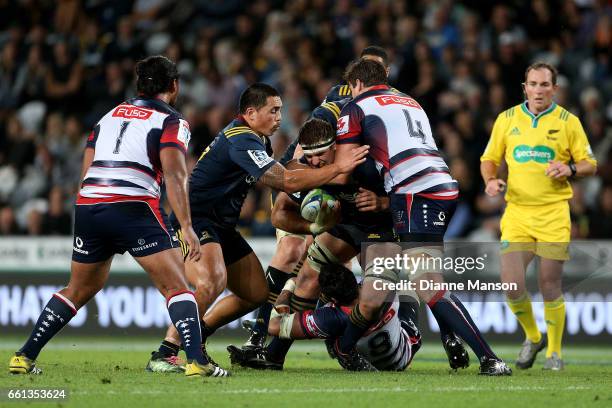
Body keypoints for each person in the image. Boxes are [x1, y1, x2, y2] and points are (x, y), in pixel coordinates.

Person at [8, 55, 228, 378]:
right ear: (174, 86)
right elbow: (176, 174)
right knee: (177, 287)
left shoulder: (107, 116)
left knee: (78, 289)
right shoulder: (172, 121)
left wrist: (93, 207)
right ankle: (197, 361)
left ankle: (24, 356)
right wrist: (186, 226)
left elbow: (87, 171)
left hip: (89, 207)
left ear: (139, 86)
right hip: (132, 206)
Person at [146, 83, 369, 372]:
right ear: (250, 113)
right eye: (273, 110)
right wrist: (339, 168)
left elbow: (285, 190)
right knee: (211, 281)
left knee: (255, 294)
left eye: (280, 110)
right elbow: (286, 181)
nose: (279, 117)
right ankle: (166, 351)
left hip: (222, 227)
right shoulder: (241, 139)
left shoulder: (259, 141)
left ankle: (198, 338)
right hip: (194, 220)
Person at [332, 58, 511, 375]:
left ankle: (490, 358)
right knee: (426, 279)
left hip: (415, 193)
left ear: (357, 83)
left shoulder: (356, 106)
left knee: (426, 283)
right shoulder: (409, 101)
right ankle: (449, 336)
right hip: (440, 185)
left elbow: (344, 166)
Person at [227, 117, 399, 370]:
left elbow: (412, 194)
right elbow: (279, 215)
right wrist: (315, 227)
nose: (315, 160)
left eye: (320, 154)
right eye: (310, 156)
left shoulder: (365, 156)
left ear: (335, 146)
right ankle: (274, 356)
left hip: (379, 229)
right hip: (345, 227)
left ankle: (346, 349)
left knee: (373, 297)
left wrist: (383, 203)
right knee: (308, 278)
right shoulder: (304, 169)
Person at [480, 62, 597, 371]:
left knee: (549, 285)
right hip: (517, 212)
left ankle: (554, 353)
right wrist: (491, 181)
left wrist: (570, 168)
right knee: (512, 285)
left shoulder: (568, 122)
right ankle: (533, 336)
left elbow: (590, 163)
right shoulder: (507, 119)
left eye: (545, 84)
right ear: (525, 87)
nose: (539, 90)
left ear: (554, 89)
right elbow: (489, 159)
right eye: (534, 83)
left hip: (553, 213)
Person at [232, 264, 422, 371]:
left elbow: (274, 326)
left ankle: (340, 349)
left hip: (370, 356)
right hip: (405, 351)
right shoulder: (378, 289)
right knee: (408, 291)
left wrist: (288, 287)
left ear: (331, 298)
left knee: (334, 336)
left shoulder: (330, 317)